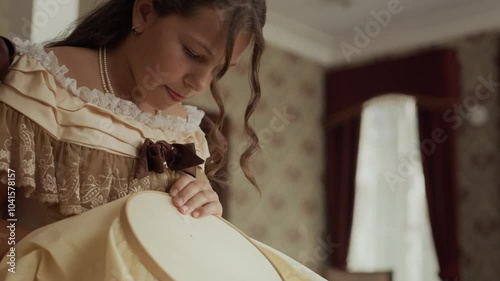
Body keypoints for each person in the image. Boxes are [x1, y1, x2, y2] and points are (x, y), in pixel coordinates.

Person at [0, 0, 265, 260]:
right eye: (193, 53)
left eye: (220, 70)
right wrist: (70, 260)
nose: (200, 83)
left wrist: (204, 217)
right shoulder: (39, 84)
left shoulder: (186, 132)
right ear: (144, 12)